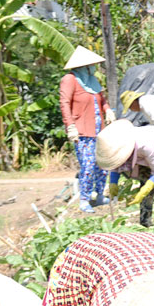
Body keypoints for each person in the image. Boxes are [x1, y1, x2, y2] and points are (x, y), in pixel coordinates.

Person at [96, 119, 154, 226]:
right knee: (145, 180)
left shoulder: (144, 145)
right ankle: (145, 221)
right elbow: (116, 162)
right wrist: (113, 182)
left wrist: (147, 186)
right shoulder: (118, 144)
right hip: (143, 154)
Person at [59, 46, 113, 212]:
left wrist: (108, 110)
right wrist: (71, 126)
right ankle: (84, 199)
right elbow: (64, 103)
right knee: (88, 166)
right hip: (83, 131)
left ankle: (99, 195)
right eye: (91, 65)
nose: (93, 68)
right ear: (82, 66)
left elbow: (101, 99)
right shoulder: (70, 79)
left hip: (99, 130)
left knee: (102, 165)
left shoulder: (92, 81)